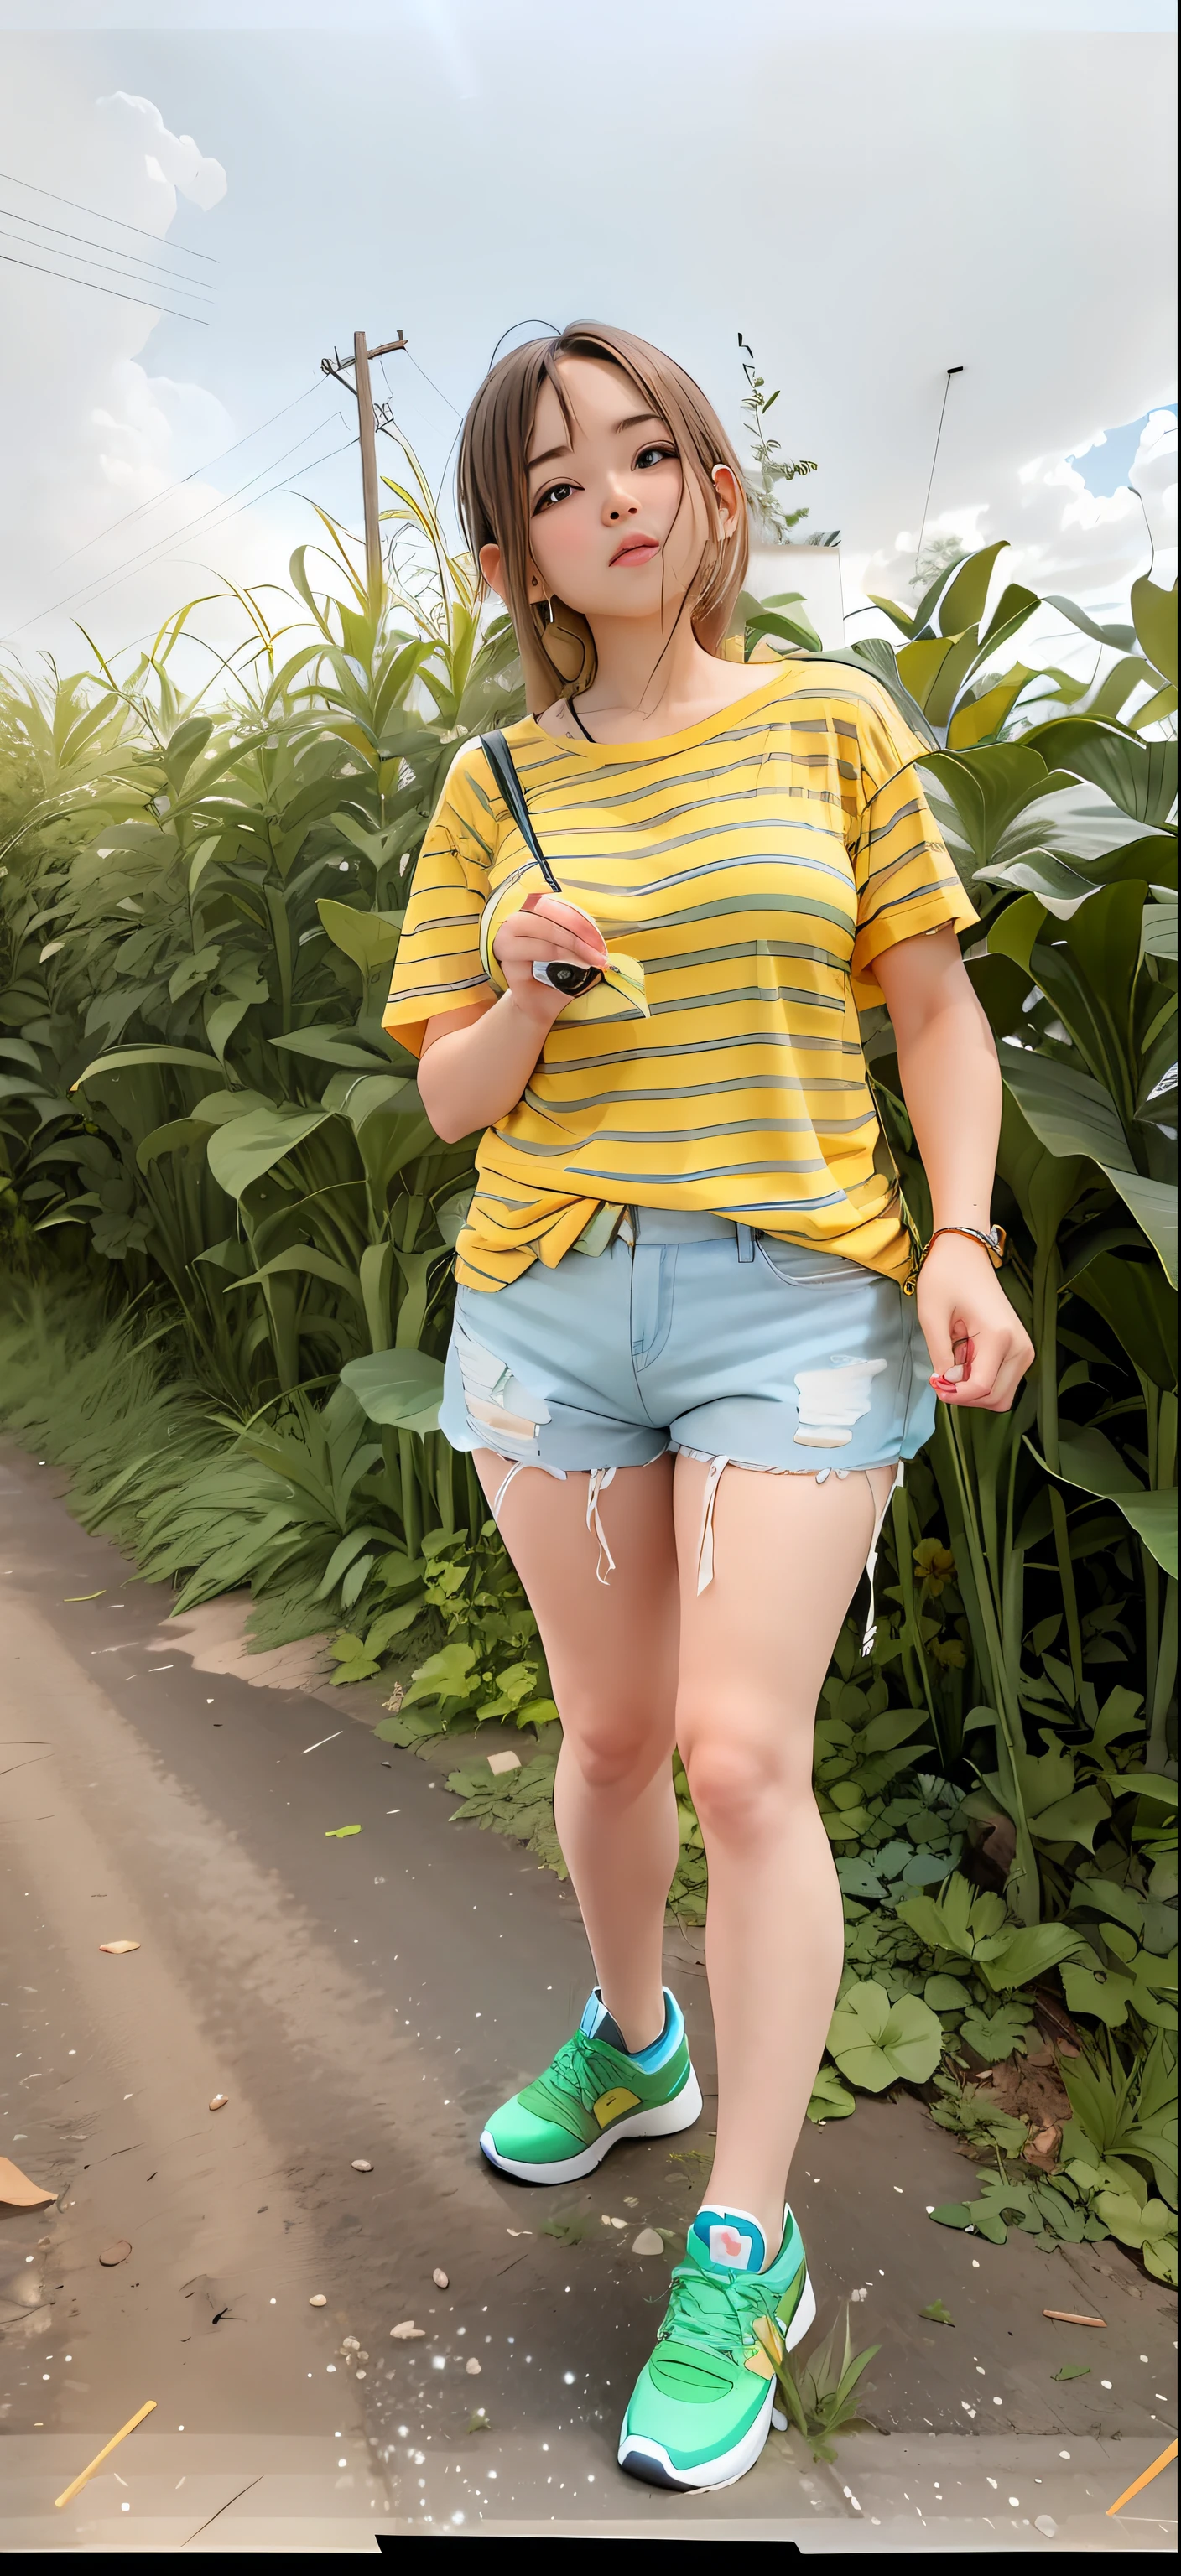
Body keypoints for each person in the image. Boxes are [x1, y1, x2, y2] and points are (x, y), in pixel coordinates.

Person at [382, 320, 1033, 2492]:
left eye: (647, 453)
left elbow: (933, 1015)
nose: (618, 500)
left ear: (714, 487)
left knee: (750, 1759)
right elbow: (453, 1102)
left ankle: (747, 2244)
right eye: (561, 483)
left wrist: (963, 1236)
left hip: (793, 1304)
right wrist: (522, 991)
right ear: (517, 556)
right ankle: (636, 2047)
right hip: (554, 1311)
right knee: (613, 1740)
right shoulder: (496, 789)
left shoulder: (833, 726)